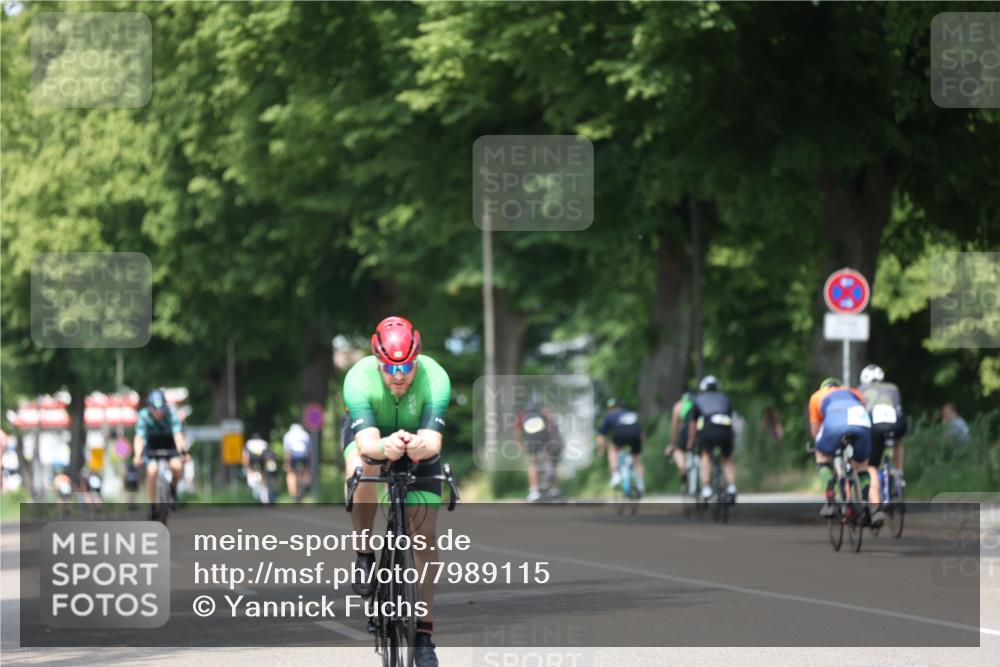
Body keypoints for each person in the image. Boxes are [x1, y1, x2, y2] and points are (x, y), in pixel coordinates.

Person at [342, 316, 450, 667]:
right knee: (362, 468)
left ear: (417, 359)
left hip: (416, 445)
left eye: (407, 365)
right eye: (391, 366)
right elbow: (368, 445)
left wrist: (417, 445)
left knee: (425, 538)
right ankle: (364, 553)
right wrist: (386, 445)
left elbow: (432, 444)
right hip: (374, 439)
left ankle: (424, 635)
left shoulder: (435, 379)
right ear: (378, 362)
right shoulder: (358, 378)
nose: (399, 374)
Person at [809, 377, 884, 526]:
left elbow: (816, 431)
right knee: (862, 466)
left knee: (822, 456)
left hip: (834, 425)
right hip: (860, 425)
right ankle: (867, 505)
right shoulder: (854, 393)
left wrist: (822, 446)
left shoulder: (817, 396)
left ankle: (831, 499)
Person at [132, 388, 188, 517]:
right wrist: (137, 455)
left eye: (161, 410)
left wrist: (183, 452)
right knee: (152, 471)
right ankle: (152, 505)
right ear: (150, 408)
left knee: (176, 466)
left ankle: (173, 489)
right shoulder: (143, 416)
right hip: (152, 444)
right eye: (155, 410)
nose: (158, 413)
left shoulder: (172, 414)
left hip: (170, 443)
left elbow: (178, 435)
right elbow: (139, 438)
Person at [686, 376, 737, 503]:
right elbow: (731, 417)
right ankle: (731, 486)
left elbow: (693, 424)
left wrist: (691, 441)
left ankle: (706, 486)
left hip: (709, 428)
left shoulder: (698, 400)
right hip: (726, 428)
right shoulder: (726, 398)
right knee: (727, 458)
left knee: (705, 455)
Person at [858, 364, 908, 488]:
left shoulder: (860, 390)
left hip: (875, 425)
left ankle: (875, 495)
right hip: (898, 422)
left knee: (872, 465)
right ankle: (899, 472)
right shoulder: (893, 387)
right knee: (897, 442)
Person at [514, 399, 563, 502]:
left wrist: (519, 445)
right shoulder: (544, 414)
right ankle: (554, 490)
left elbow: (518, 433)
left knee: (534, 466)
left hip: (532, 443)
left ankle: (534, 491)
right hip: (545, 443)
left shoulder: (522, 416)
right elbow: (552, 429)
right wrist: (552, 442)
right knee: (551, 466)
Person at [597, 398, 644, 496]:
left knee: (612, 449)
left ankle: (615, 475)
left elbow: (601, 437)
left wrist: (601, 451)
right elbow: (641, 433)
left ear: (611, 408)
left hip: (621, 436)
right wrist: (638, 448)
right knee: (637, 460)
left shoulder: (610, 416)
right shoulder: (630, 414)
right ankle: (640, 485)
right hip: (635, 436)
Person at [665, 391, 695, 491]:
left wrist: (672, 443)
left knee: (677, 450)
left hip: (687, 430)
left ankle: (683, 470)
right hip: (701, 430)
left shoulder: (679, 405)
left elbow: (675, 427)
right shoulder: (698, 403)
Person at [243, 432, 275, 504]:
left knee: (250, 470)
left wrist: (246, 465)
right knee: (264, 477)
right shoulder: (263, 443)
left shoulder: (248, 443)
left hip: (252, 460)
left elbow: (246, 456)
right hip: (262, 459)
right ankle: (265, 498)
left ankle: (251, 483)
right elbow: (268, 455)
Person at [283, 423, 312, 500]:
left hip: (293, 456)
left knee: (291, 473)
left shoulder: (288, 435)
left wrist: (287, 463)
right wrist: (308, 464)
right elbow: (309, 450)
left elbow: (287, 451)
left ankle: (293, 493)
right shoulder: (305, 435)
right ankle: (303, 487)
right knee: (303, 472)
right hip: (303, 456)